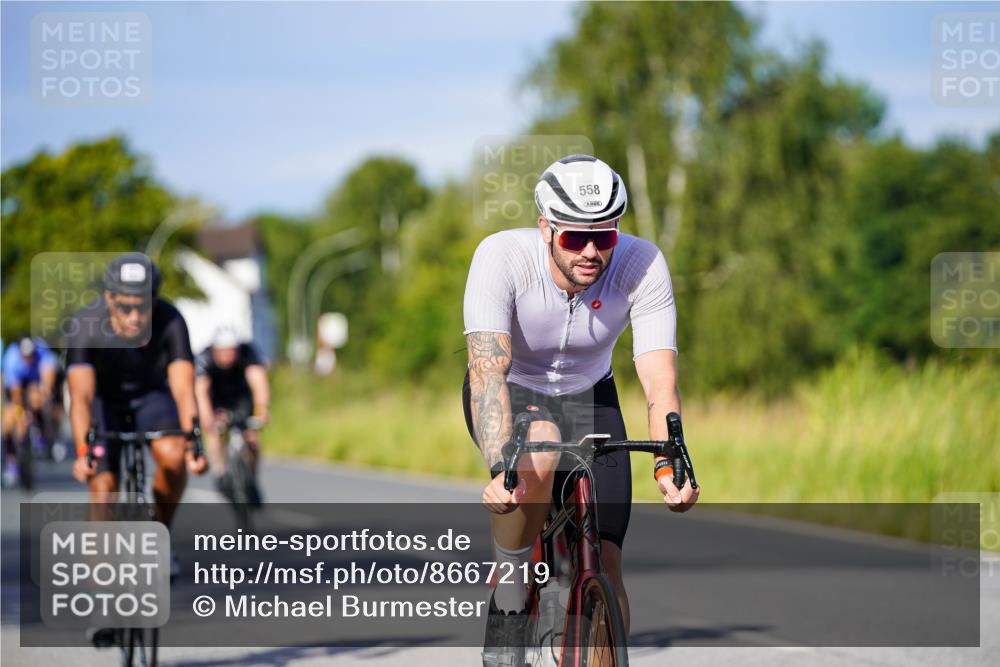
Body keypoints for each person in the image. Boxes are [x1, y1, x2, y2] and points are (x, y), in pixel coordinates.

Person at [462, 154, 700, 666]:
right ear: (545, 228)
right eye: (575, 237)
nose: (592, 251)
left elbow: (660, 380)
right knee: (541, 453)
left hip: (592, 394)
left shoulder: (642, 264)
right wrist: (504, 463)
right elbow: (487, 372)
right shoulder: (502, 257)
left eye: (605, 236)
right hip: (516, 388)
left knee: (608, 566)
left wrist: (669, 460)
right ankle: (508, 600)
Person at [67, 252, 207, 527]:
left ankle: (161, 530)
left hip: (151, 396)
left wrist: (194, 442)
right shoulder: (86, 324)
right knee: (103, 488)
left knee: (174, 456)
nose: (135, 317)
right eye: (125, 308)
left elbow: (183, 389)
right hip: (103, 401)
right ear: (110, 299)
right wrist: (84, 451)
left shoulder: (171, 320)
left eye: (143, 307)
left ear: (154, 299)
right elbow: (81, 397)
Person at [194, 326, 270, 505]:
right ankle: (220, 473)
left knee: (252, 439)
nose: (228, 356)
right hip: (217, 400)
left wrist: (262, 409)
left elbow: (258, 381)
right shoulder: (204, 358)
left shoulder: (248, 353)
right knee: (215, 433)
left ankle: (251, 480)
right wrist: (206, 417)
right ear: (215, 350)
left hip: (241, 399)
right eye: (224, 352)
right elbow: (201, 390)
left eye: (232, 351)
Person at [2, 336, 59, 483]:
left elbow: (48, 379)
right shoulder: (11, 359)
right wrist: (20, 413)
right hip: (16, 387)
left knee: (39, 399)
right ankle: (11, 461)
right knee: (8, 423)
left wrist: (44, 396)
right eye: (25, 356)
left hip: (35, 382)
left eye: (31, 356)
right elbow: (15, 393)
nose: (28, 359)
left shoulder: (43, 352)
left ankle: (40, 433)